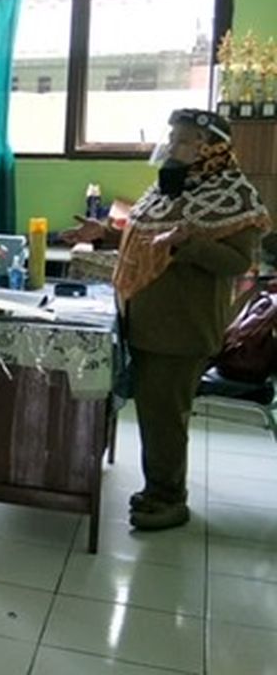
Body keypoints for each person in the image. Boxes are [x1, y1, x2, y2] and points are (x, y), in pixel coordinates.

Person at [63, 108, 270, 531]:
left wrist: (189, 243)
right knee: (154, 413)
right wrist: (104, 233)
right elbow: (147, 240)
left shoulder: (235, 195)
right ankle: (158, 486)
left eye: (183, 140)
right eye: (172, 137)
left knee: (164, 417)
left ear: (210, 147)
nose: (172, 146)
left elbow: (237, 263)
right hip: (144, 320)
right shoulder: (169, 188)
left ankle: (169, 498)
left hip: (182, 329)